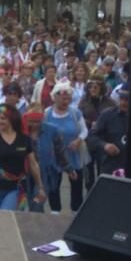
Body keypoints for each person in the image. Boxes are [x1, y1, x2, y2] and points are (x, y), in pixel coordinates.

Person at [86, 84, 131, 180]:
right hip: (113, 170)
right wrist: (105, 145)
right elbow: (91, 136)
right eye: (121, 98)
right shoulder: (107, 115)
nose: (123, 102)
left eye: (127, 99)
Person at [37, 81, 88, 213]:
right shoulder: (47, 113)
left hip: (74, 154)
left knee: (76, 184)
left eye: (67, 98)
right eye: (62, 97)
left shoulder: (75, 113)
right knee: (54, 184)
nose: (65, 100)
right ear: (55, 97)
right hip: (54, 156)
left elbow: (84, 130)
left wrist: (78, 140)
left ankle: (75, 211)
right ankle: (55, 211)